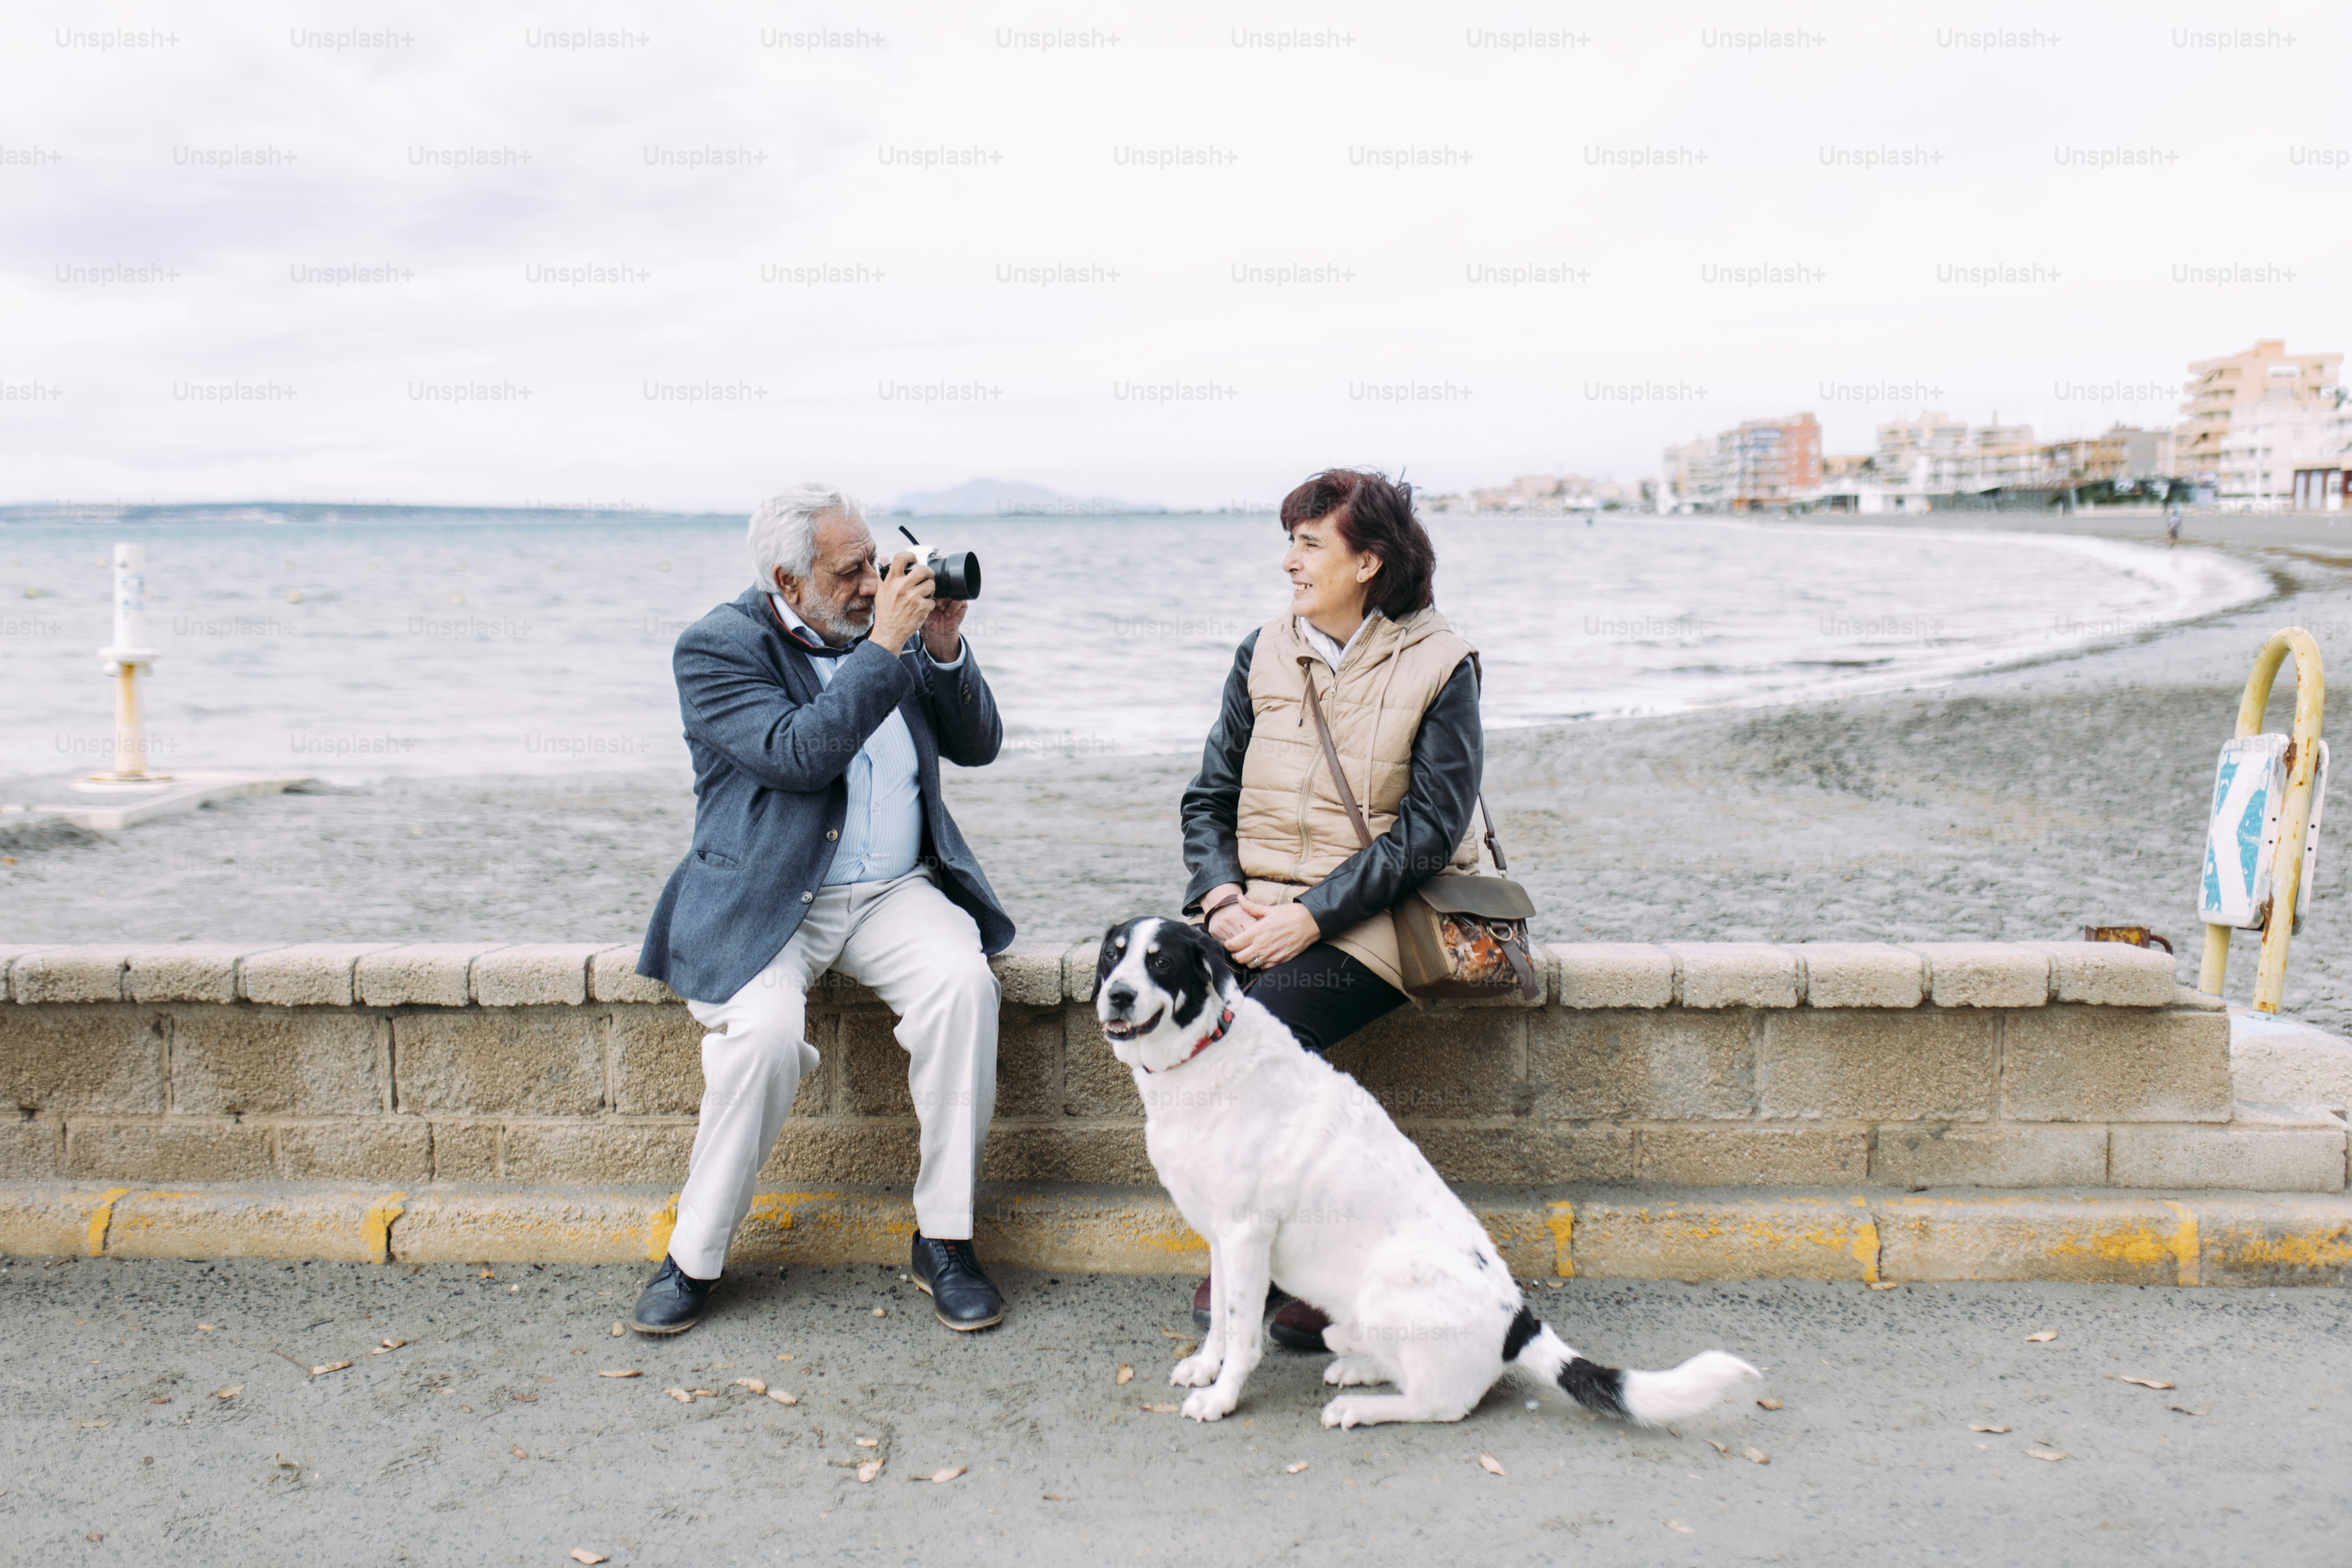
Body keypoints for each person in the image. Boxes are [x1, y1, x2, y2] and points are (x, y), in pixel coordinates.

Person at [631, 484, 1014, 1335]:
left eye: (875, 562)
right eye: (850, 572)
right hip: (768, 895)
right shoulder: (718, 647)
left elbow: (979, 745)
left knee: (964, 987)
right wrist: (888, 646)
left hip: (895, 891)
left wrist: (942, 646)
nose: (874, 584)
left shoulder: (889, 632)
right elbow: (801, 755)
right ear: (787, 579)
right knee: (763, 1038)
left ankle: (946, 1239)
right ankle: (692, 1257)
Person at [1177, 467, 1485, 1350]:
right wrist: (1220, 896)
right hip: (1254, 904)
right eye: (1291, 541)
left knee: (1263, 1036)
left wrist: (1309, 918)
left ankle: (1309, 1261)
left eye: (1310, 544)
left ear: (1368, 562)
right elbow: (1208, 797)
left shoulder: (1443, 663)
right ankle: (1272, 1246)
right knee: (1169, 1009)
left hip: (1379, 914)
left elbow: (1431, 831)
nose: (1290, 562)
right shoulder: (1263, 650)